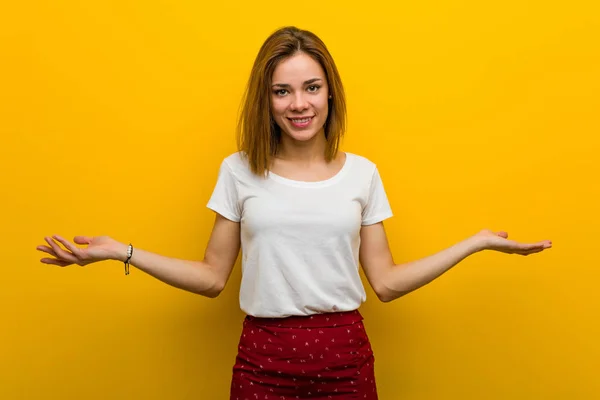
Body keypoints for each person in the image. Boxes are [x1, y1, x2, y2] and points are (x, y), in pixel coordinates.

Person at [36, 26, 552, 399]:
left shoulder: (363, 174)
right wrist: (118, 251)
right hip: (263, 360)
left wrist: (476, 242)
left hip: (346, 358)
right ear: (267, 100)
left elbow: (388, 283)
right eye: (282, 90)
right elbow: (212, 276)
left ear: (330, 92)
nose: (298, 103)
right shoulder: (239, 171)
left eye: (311, 87)